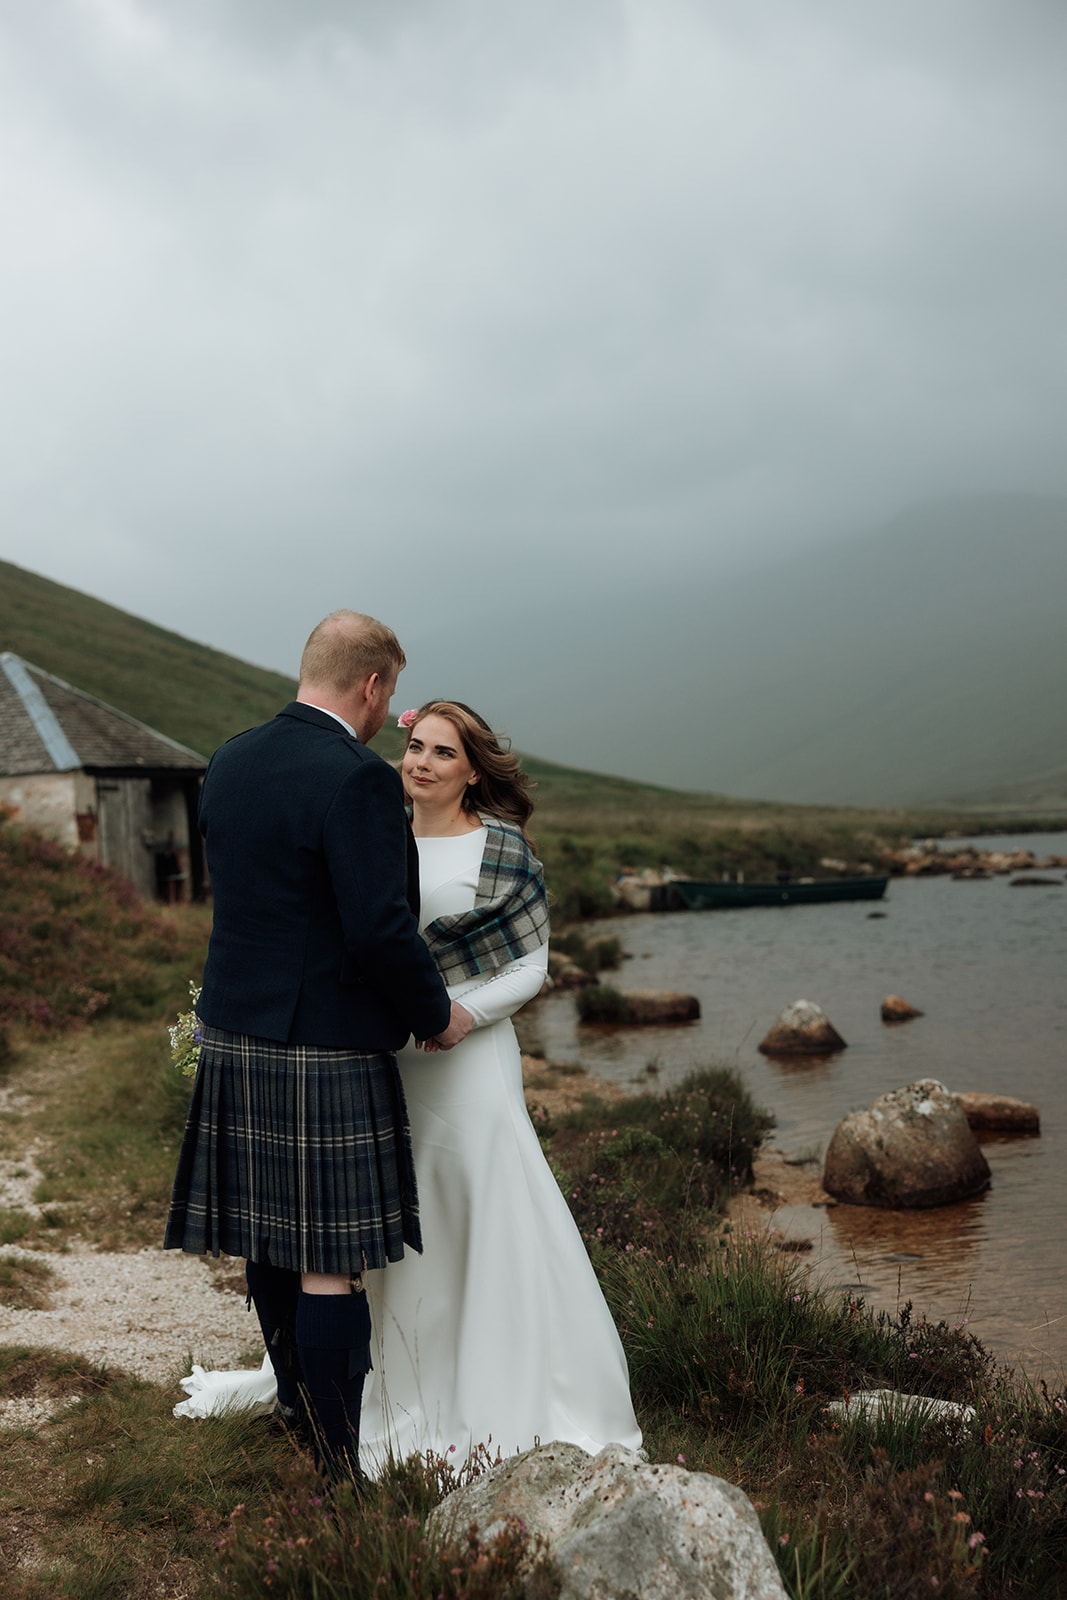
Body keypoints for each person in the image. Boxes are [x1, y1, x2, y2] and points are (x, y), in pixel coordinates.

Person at [164, 612, 471, 1476]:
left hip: (233, 1026)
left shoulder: (229, 759)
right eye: (391, 696)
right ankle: (340, 1465)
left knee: (267, 1238)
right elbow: (378, 929)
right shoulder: (357, 779)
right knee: (329, 1264)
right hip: (324, 1045)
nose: (387, 715)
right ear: (371, 686)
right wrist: (433, 1011)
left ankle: (298, 1407)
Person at [358, 700, 642, 1471]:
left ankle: (519, 1390)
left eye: (441, 753)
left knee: (492, 1206)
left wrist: (457, 1015)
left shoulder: (503, 849)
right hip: (395, 1062)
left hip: (471, 1060)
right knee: (415, 1224)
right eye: (414, 746)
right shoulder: (376, 837)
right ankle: (414, 1387)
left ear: (472, 770)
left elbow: (531, 968)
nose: (420, 763)